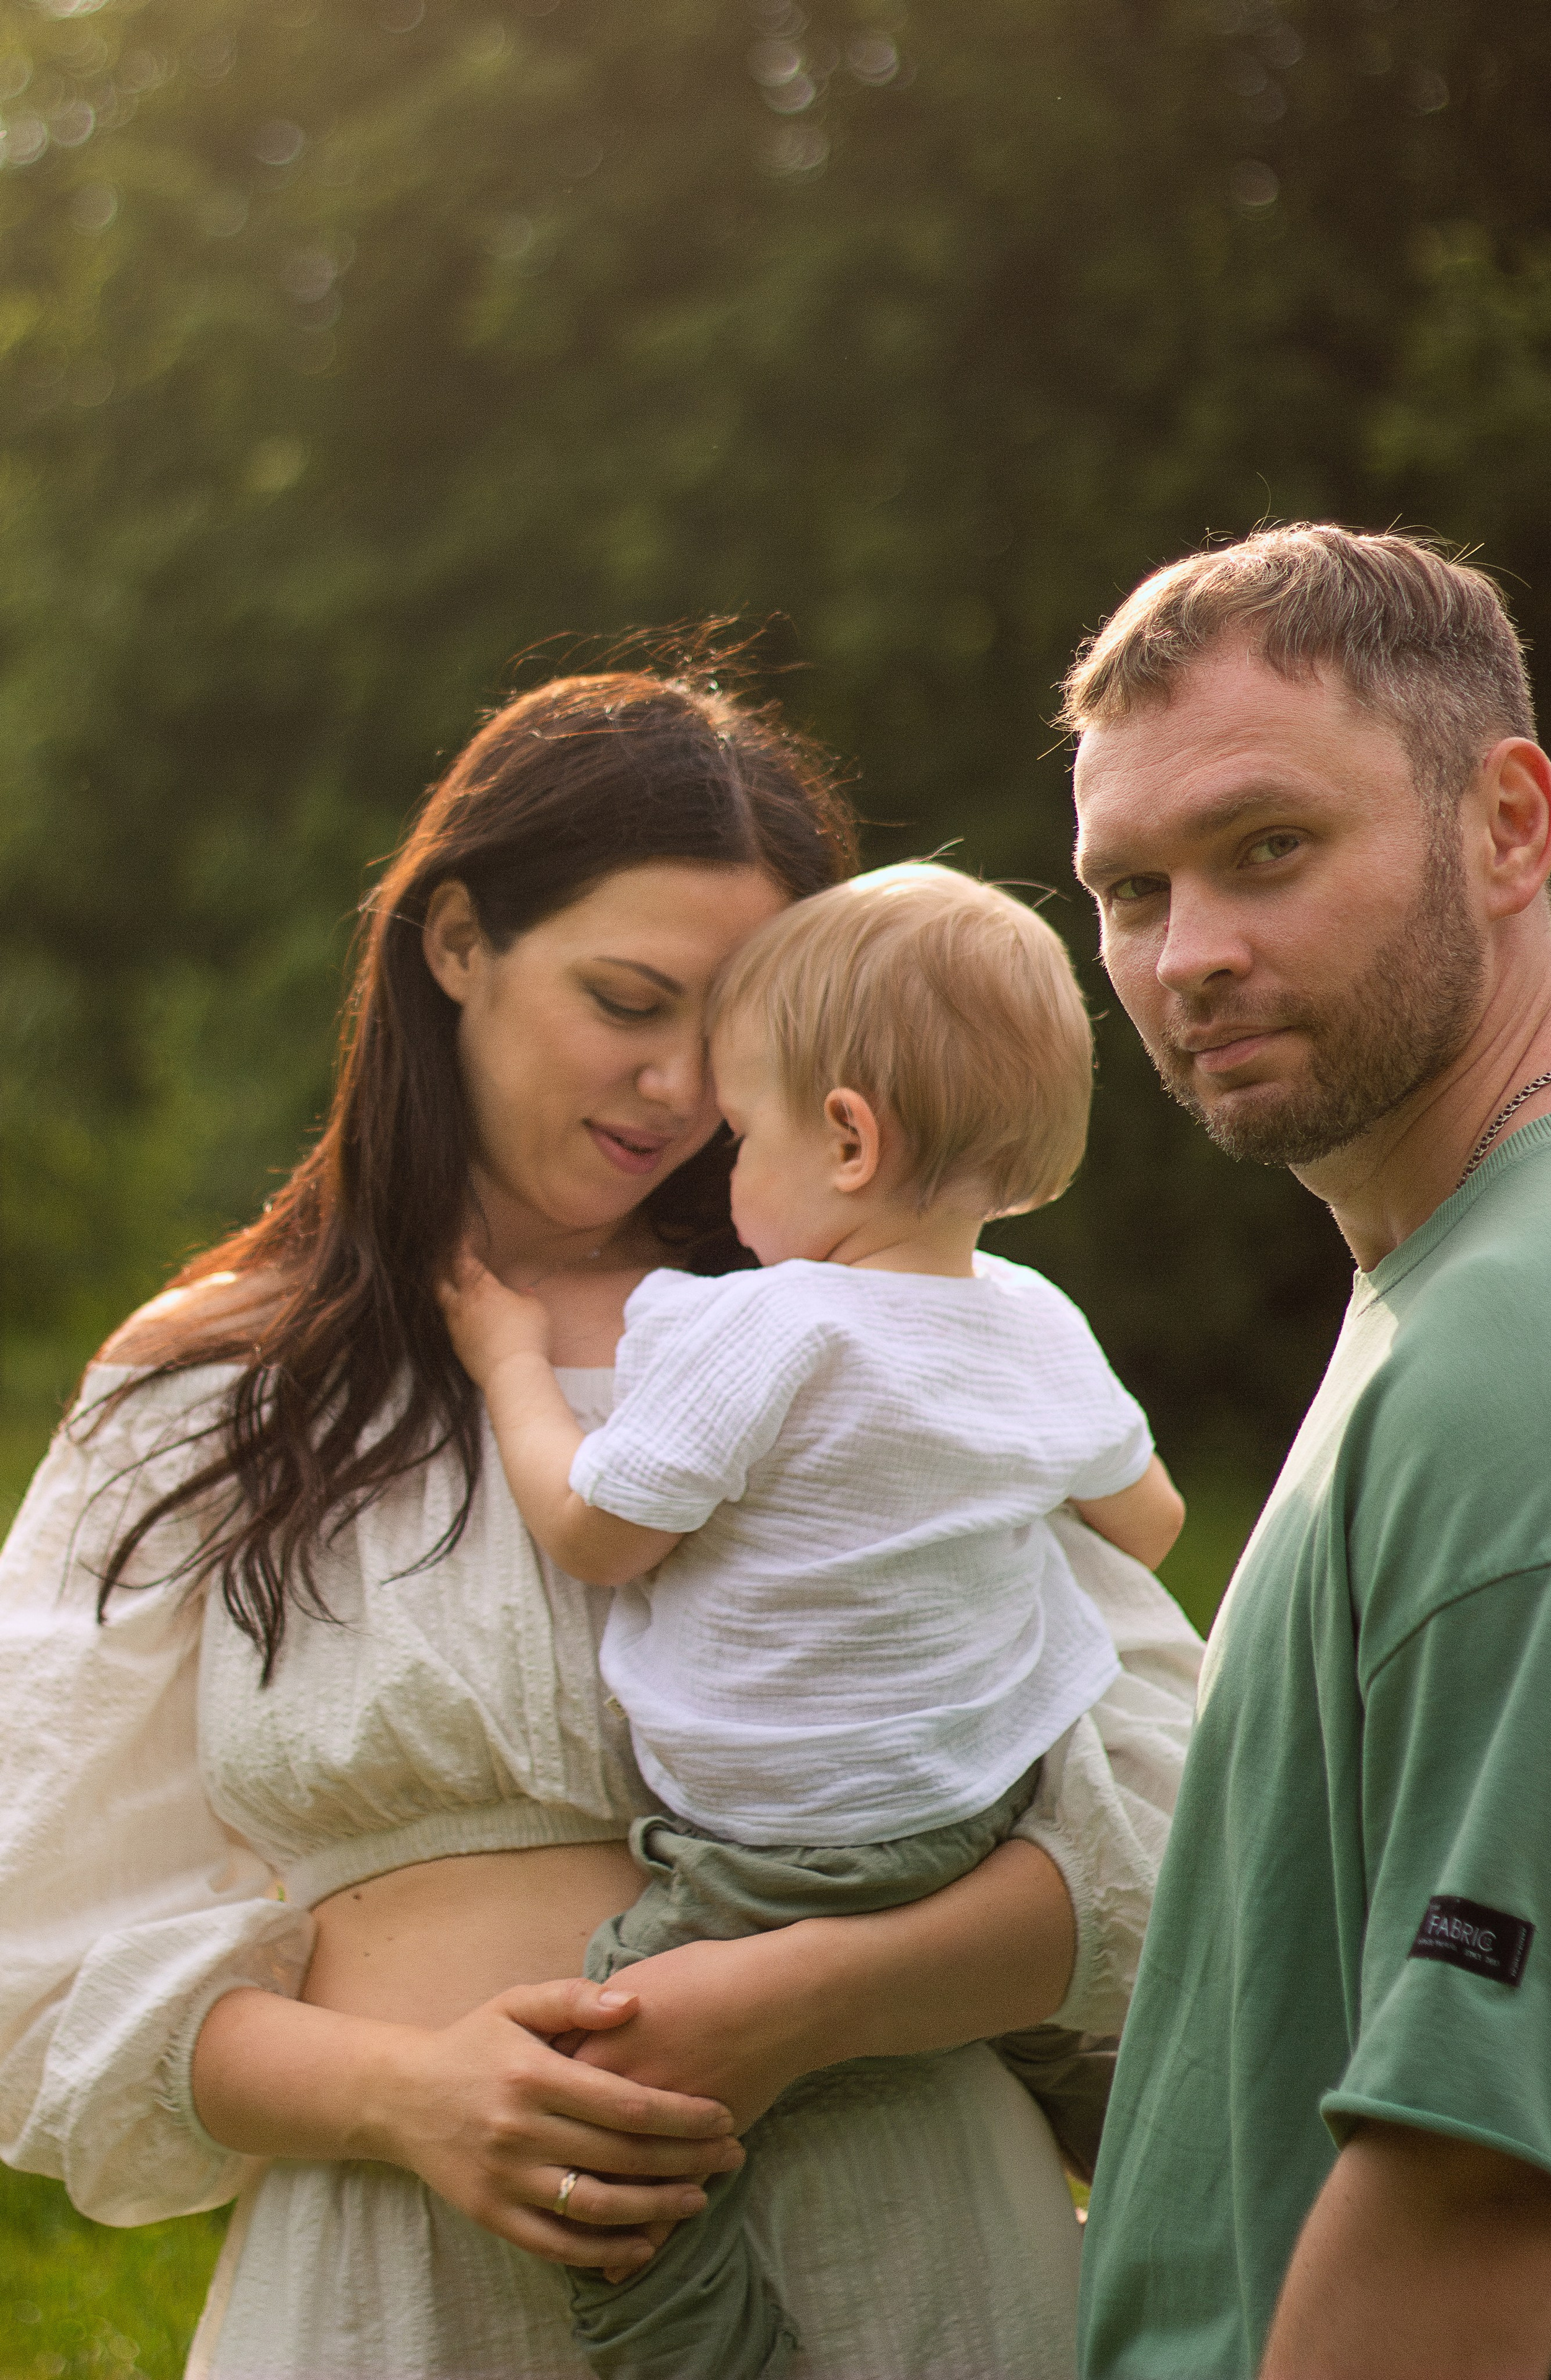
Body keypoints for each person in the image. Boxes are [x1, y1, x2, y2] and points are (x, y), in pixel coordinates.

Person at [0, 659, 1201, 2380]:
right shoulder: (213, 1385)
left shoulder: (884, 1340)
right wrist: (410, 2096)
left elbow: (1162, 1820)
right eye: (626, 1000)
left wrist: (802, 2007)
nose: (676, 1091)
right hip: (405, 2291)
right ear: (458, 942)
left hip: (902, 2258)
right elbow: (35, 1950)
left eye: (729, 1032)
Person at [440, 862, 1186, 2379]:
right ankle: (1216, 2211)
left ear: (844, 1137)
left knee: (607, 2136)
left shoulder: (760, 1327)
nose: (720, 1172)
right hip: (970, 1823)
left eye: (742, 1131)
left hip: (764, 1857)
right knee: (1106, 2066)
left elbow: (592, 1531)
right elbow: (1151, 1521)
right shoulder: (1033, 1322)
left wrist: (512, 1365)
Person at [1063, 524, 1551, 2379]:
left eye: (1269, 850)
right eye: (1131, 892)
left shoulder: (1534, 1348)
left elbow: (1481, 2176)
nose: (1191, 957)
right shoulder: (1447, 1292)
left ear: (1508, 826)